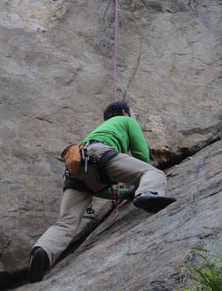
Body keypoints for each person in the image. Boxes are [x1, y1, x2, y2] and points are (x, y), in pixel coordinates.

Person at [27, 100, 176, 283]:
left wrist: (124, 194)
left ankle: (41, 251)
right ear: (124, 112)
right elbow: (141, 155)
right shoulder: (127, 120)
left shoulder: (98, 131)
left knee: (65, 223)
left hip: (77, 171)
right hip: (100, 155)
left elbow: (98, 190)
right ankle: (149, 193)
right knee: (152, 173)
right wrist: (138, 188)